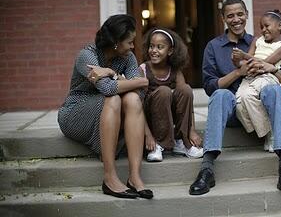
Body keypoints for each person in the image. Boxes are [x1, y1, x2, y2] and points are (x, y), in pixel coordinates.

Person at [189, 0, 281, 196]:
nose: (236, 19)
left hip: (258, 106)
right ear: (223, 18)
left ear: (246, 15)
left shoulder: (261, 41)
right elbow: (210, 86)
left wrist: (271, 68)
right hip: (232, 108)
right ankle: (207, 168)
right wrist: (238, 73)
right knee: (221, 95)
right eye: (230, 15)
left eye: (240, 14)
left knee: (274, 89)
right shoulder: (213, 47)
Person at [58, 14, 153, 199]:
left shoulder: (127, 57)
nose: (133, 47)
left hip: (109, 110)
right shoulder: (87, 55)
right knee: (115, 98)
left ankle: (134, 177)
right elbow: (110, 88)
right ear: (116, 42)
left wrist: (113, 75)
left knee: (132, 100)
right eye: (130, 42)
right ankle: (109, 177)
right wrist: (132, 80)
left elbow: (140, 90)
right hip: (76, 112)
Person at [140, 27, 203, 162]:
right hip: (150, 119)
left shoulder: (175, 71)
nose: (154, 51)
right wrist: (148, 135)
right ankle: (157, 145)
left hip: (167, 117)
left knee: (185, 89)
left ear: (170, 51)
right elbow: (138, 106)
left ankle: (181, 141)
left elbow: (187, 103)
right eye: (151, 46)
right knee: (164, 91)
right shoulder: (144, 69)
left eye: (160, 47)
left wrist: (191, 130)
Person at [233, 10, 281, 153]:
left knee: (250, 96)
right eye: (261, 27)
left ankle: (270, 137)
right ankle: (266, 131)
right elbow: (247, 60)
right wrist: (238, 61)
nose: (264, 30)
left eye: (267, 26)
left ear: (280, 26)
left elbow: (266, 63)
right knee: (240, 101)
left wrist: (244, 55)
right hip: (251, 75)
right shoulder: (257, 40)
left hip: (267, 76)